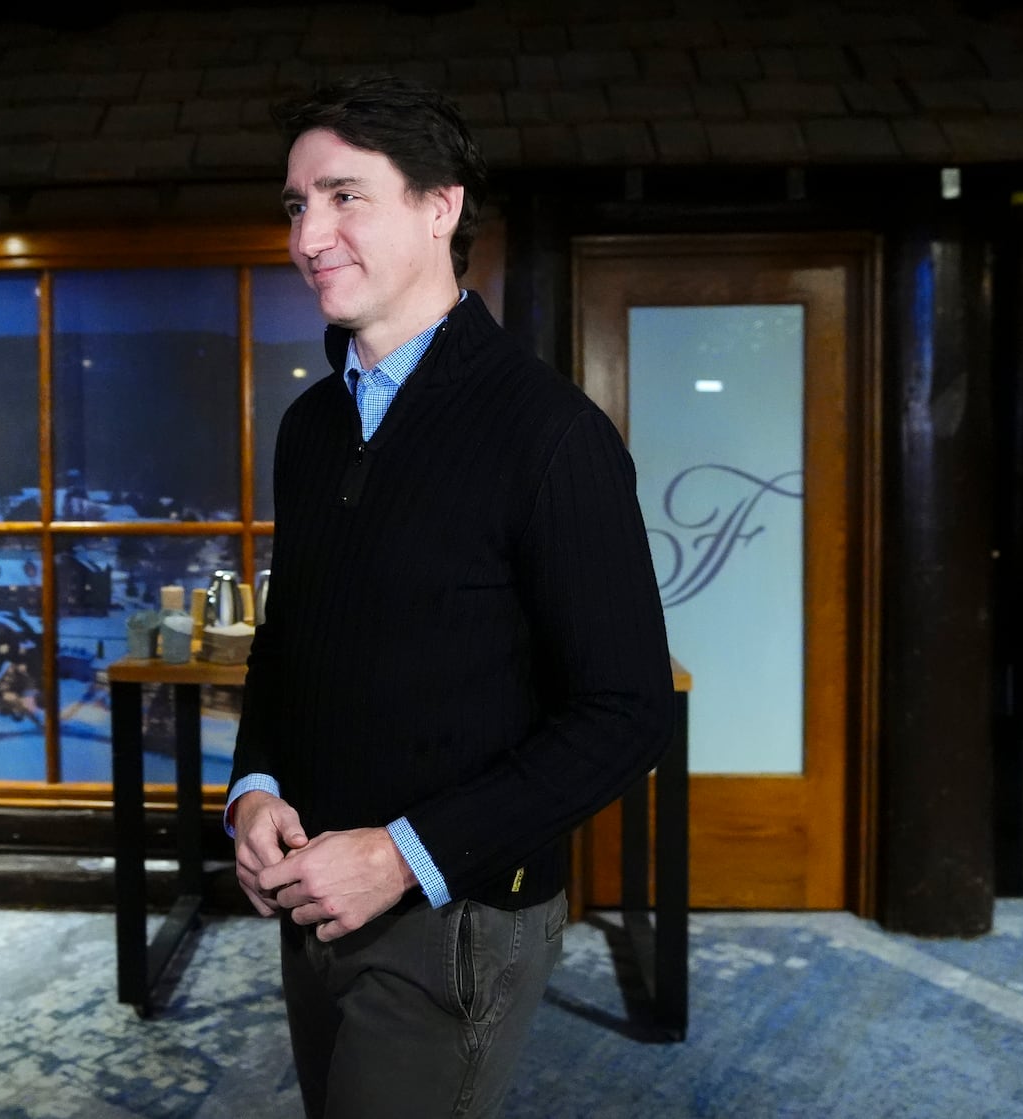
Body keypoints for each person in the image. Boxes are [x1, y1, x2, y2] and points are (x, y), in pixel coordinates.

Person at [226, 73, 674, 1119]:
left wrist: (399, 856)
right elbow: (288, 640)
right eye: (297, 204)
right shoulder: (310, 427)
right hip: (314, 894)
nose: (309, 234)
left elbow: (625, 714)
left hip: (458, 910)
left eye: (345, 196)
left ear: (441, 207)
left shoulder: (548, 433)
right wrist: (253, 784)